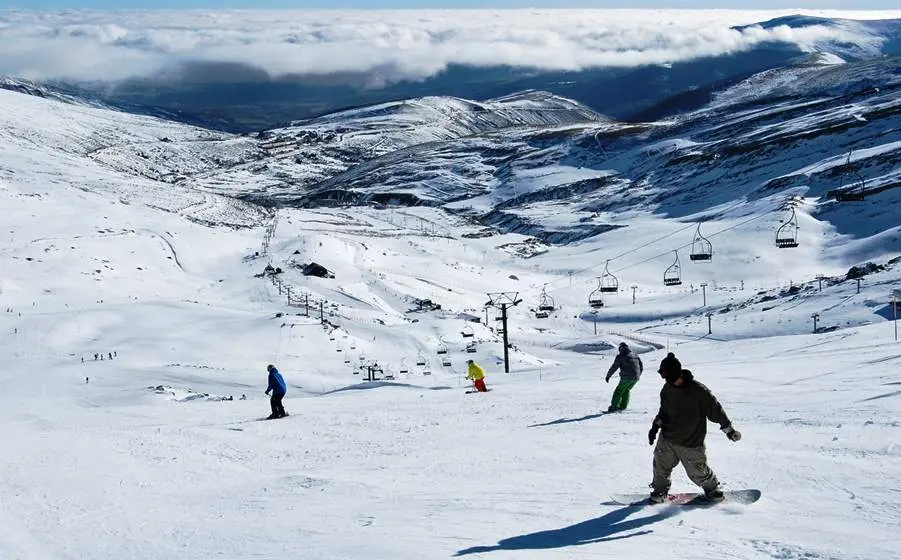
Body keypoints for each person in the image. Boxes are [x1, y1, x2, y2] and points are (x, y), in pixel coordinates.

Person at [647, 352, 741, 503]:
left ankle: (712, 489)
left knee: (697, 471)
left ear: (676, 373)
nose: (666, 380)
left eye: (668, 376)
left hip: (690, 441)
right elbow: (663, 411)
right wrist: (655, 427)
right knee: (660, 466)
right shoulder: (667, 389)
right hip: (668, 437)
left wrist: (729, 430)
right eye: (664, 377)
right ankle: (659, 491)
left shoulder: (698, 391)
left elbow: (716, 411)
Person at [605, 342, 643, 412]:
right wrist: (637, 375)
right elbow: (641, 366)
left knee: (618, 391)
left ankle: (614, 407)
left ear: (621, 348)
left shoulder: (620, 356)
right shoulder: (635, 355)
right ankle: (623, 406)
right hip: (636, 377)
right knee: (626, 390)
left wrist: (608, 376)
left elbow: (614, 367)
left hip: (626, 377)